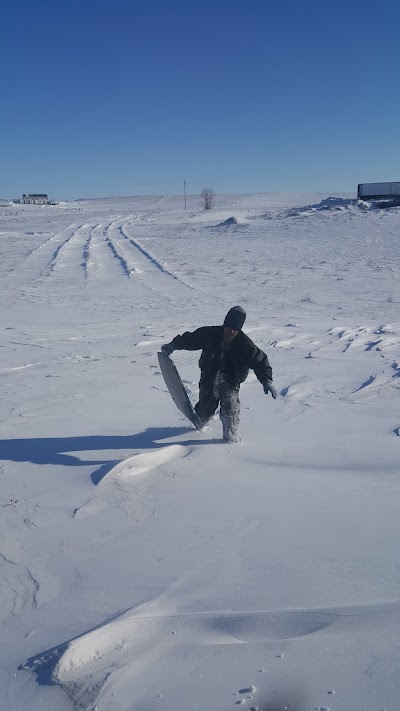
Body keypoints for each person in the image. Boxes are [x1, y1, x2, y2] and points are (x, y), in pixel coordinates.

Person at [161, 306, 276, 442]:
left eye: (235, 329)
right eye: (229, 327)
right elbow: (191, 339)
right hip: (208, 380)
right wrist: (174, 345)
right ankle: (198, 426)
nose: (231, 331)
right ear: (224, 325)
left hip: (231, 383)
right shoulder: (210, 334)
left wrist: (266, 380)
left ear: (239, 330)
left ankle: (231, 439)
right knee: (204, 413)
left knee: (230, 412)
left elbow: (260, 361)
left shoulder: (245, 345)